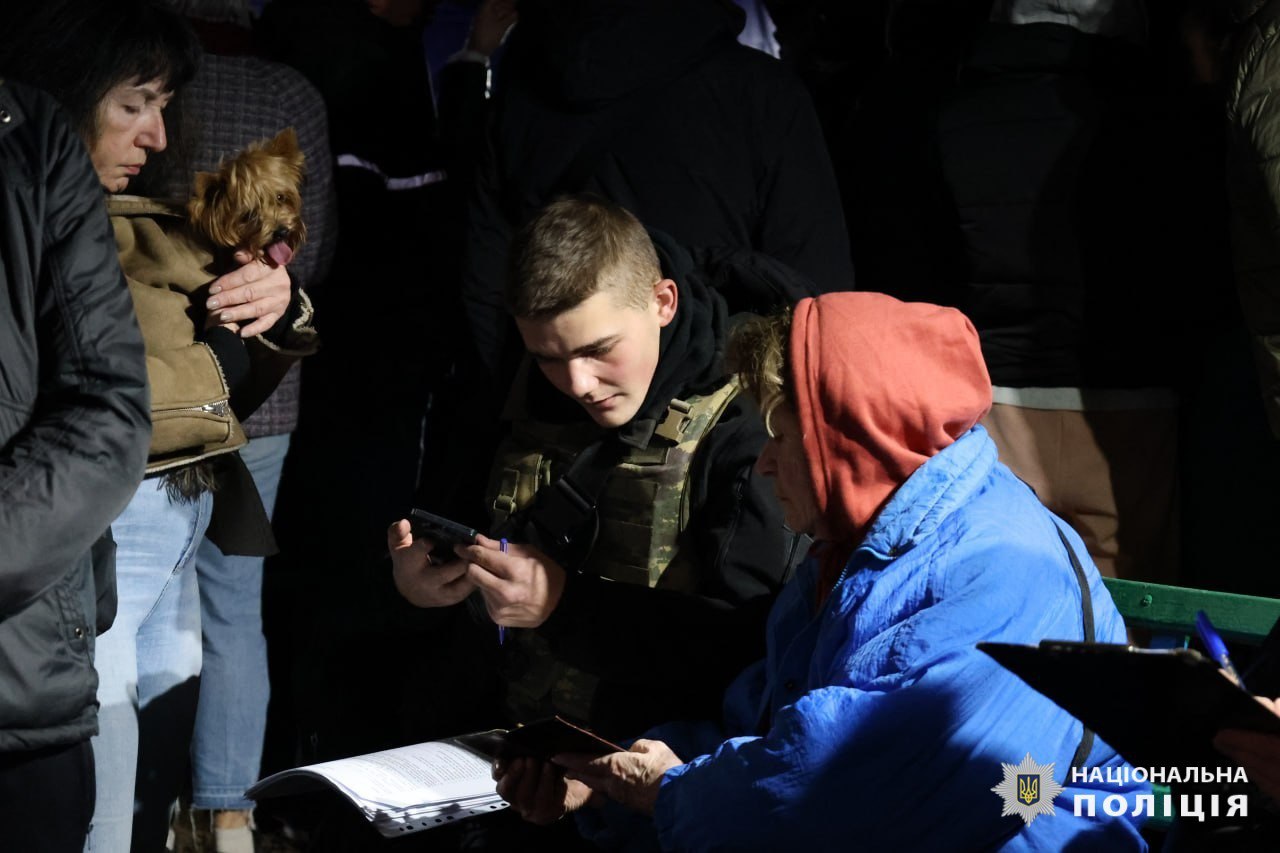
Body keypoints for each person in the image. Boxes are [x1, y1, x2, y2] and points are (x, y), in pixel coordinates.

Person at [496, 292, 1148, 851]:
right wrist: (611, 779)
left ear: (855, 437)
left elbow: (847, 788)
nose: (764, 464)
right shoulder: (853, 551)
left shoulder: (1001, 568)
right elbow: (770, 728)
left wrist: (669, 791)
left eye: (780, 435)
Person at [0, 2, 318, 849]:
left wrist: (279, 292)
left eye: (164, 105)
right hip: (81, 550)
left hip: (169, 495)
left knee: (160, 683)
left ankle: (218, 817)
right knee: (115, 710)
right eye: (135, 103)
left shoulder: (118, 212)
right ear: (68, 90)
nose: (160, 136)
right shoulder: (48, 209)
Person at [391, 196, 801, 739]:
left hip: (659, 773)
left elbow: (750, 649)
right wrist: (424, 588)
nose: (578, 382)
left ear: (663, 302)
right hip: (507, 745)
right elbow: (466, 529)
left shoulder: (750, 425)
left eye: (599, 350)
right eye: (548, 357)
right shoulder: (520, 392)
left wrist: (562, 604)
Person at [0, 78, 151, 853]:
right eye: (137, 103)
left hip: (20, 689)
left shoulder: (26, 134)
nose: (157, 135)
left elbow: (108, 403)